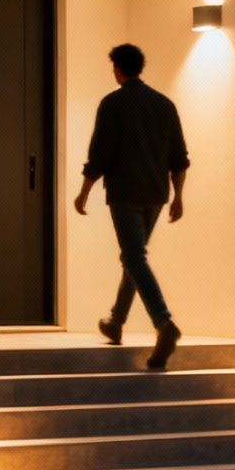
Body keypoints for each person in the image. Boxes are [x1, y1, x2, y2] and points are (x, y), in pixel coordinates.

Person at [74, 43, 189, 370]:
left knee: (133, 256)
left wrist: (83, 192)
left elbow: (99, 153)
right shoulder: (164, 105)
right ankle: (116, 321)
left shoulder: (112, 104)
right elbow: (179, 157)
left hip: (125, 193)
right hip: (156, 194)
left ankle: (164, 323)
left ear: (117, 69)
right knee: (134, 256)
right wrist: (178, 196)